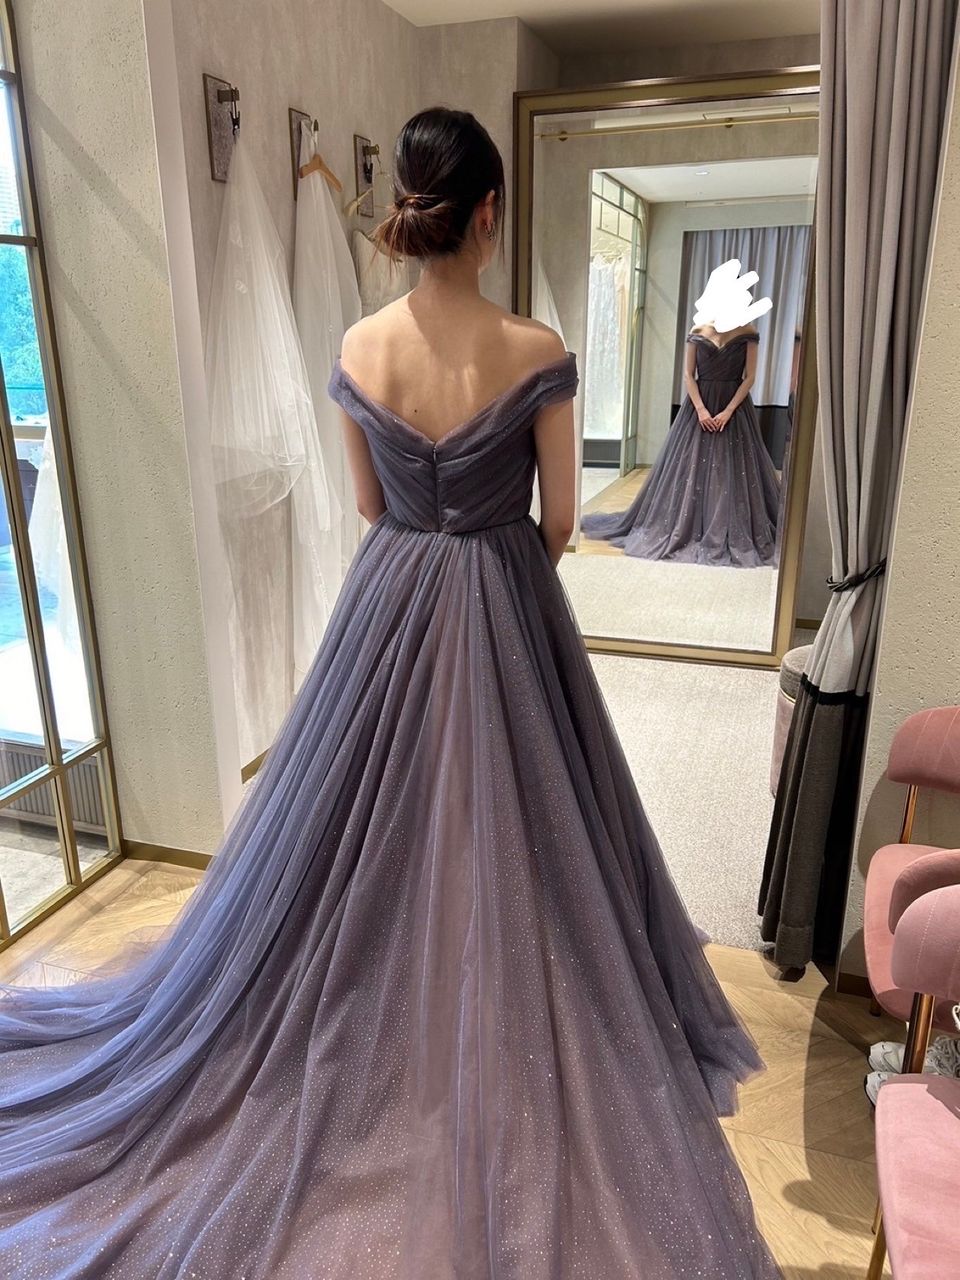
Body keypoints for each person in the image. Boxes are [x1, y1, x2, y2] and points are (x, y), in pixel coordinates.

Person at [0, 108, 781, 1279]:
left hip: (393, 594)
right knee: (530, 828)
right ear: (487, 212)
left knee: (352, 828)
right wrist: (497, 562)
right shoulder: (534, 346)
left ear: (416, 209)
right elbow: (562, 522)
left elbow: (369, 506)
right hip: (504, 596)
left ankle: (369, 1016)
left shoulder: (360, 346)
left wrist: (429, 535)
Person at [581, 321, 781, 566]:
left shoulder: (747, 331)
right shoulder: (699, 330)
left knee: (731, 470)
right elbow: (688, 375)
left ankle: (727, 530)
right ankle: (686, 527)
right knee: (690, 468)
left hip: (735, 410)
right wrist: (701, 410)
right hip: (698, 408)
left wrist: (728, 411)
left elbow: (749, 378)